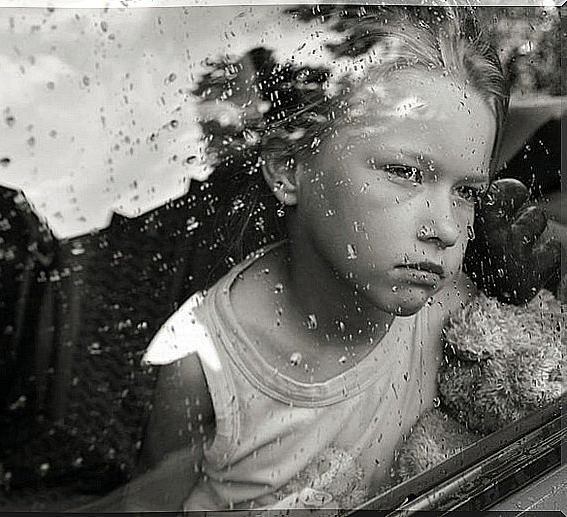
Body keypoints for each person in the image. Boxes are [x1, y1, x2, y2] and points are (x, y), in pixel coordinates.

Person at [108, 5, 557, 511]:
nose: (448, 228)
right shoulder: (204, 365)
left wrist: (523, 280)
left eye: (468, 191)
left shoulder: (454, 305)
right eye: (404, 173)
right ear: (289, 167)